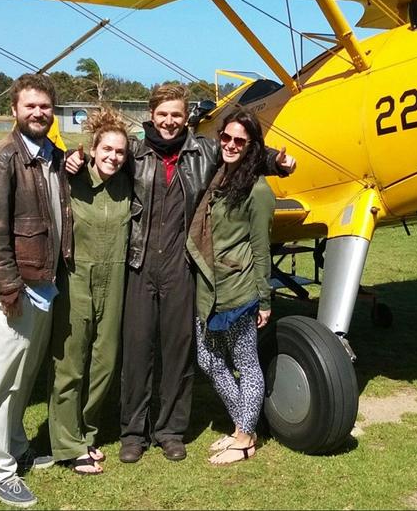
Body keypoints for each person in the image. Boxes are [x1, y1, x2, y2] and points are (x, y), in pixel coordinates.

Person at [68, 83, 295, 464]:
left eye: (176, 114)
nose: (170, 121)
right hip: (139, 263)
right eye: (163, 114)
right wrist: (71, 159)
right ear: (151, 114)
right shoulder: (136, 152)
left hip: (182, 265)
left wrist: (278, 163)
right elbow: (100, 157)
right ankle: (133, 432)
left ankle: (171, 430)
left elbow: (241, 149)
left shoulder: (203, 150)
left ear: (185, 116)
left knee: (177, 351)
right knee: (137, 350)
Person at [0, 73, 71, 508]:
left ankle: (15, 444)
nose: (38, 113)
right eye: (30, 106)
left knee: (24, 378)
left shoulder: (52, 155)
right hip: (14, 288)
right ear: (14, 110)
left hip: (44, 284)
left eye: (45, 106)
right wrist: (9, 290)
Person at [186, 109, 274, 465]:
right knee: (207, 358)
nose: (231, 145)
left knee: (246, 363)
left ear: (252, 147)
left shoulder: (257, 189)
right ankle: (243, 426)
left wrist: (265, 300)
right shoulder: (220, 176)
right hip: (210, 286)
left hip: (238, 289)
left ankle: (244, 436)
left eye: (240, 140)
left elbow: (262, 248)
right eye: (226, 137)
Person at [48, 108, 132, 476]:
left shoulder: (129, 183)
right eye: (107, 149)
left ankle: (87, 433)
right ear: (93, 149)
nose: (113, 157)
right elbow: (48, 169)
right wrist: (70, 158)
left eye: (120, 152)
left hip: (114, 282)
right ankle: (67, 444)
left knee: (105, 362)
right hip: (76, 279)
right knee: (70, 364)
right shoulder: (73, 180)